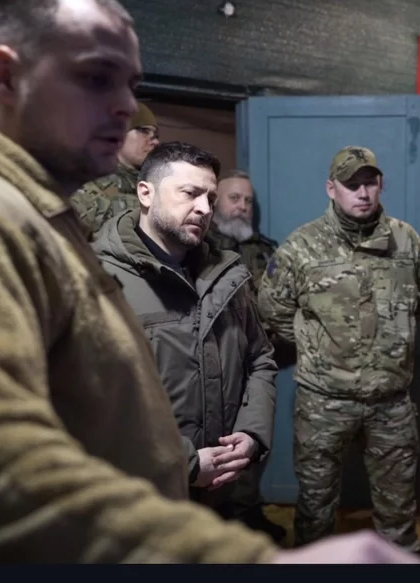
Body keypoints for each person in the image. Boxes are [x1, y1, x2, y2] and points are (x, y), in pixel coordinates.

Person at [0, 0, 420, 564]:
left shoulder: (53, 224)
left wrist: (245, 438)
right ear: (6, 76)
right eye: (97, 77)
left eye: (132, 84)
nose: (124, 107)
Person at [258, 146, 420, 556]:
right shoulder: (303, 246)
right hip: (324, 403)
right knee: (315, 509)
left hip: (390, 401)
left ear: (380, 184)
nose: (362, 192)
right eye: (351, 184)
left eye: (369, 183)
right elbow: (272, 308)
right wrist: (320, 348)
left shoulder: (406, 241)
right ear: (331, 188)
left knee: (399, 513)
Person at [92, 141, 279, 530]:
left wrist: (251, 433)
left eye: (210, 197)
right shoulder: (97, 281)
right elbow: (92, 403)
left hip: (221, 498)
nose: (205, 209)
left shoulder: (226, 275)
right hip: (139, 504)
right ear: (146, 193)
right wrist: (185, 462)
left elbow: (259, 358)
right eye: (190, 193)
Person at [205, 168, 290, 541]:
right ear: (216, 202)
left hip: (256, 365)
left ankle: (248, 514)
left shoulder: (267, 251)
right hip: (211, 365)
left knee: (252, 442)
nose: (242, 206)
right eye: (234, 198)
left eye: (248, 201)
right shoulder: (199, 248)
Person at [70, 101, 159, 236]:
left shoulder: (154, 186)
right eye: (144, 131)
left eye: (156, 135)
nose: (155, 141)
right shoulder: (88, 183)